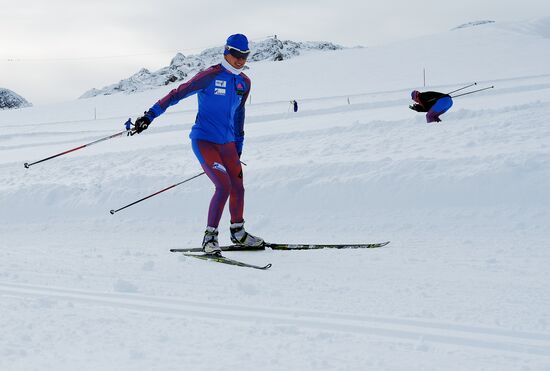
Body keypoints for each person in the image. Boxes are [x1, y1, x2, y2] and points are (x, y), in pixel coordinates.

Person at [132, 33, 264, 255]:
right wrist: (149, 116)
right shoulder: (210, 76)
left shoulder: (244, 82)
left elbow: (239, 114)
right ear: (226, 52)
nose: (241, 60)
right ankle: (210, 237)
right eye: (236, 55)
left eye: (245, 55)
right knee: (223, 186)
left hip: (229, 144)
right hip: (204, 141)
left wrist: (238, 144)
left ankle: (238, 233)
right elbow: (176, 94)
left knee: (238, 187)